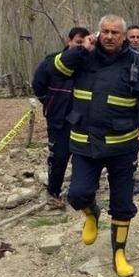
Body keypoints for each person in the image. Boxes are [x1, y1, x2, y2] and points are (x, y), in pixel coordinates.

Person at [51, 14, 139, 277]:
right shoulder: (83, 56)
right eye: (105, 31)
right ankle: (92, 213)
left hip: (123, 147)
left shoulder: (136, 62)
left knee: (123, 203)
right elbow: (56, 71)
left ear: (124, 36)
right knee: (77, 194)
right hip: (84, 144)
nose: (110, 36)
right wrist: (80, 50)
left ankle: (119, 253)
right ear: (97, 33)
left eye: (115, 32)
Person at [32, 27, 89, 209]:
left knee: (82, 156)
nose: (81, 47)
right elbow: (38, 85)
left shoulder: (88, 64)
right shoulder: (53, 61)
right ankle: (53, 192)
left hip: (83, 120)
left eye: (84, 43)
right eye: (78, 43)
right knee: (58, 157)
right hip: (59, 119)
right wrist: (50, 103)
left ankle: (80, 193)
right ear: (69, 41)